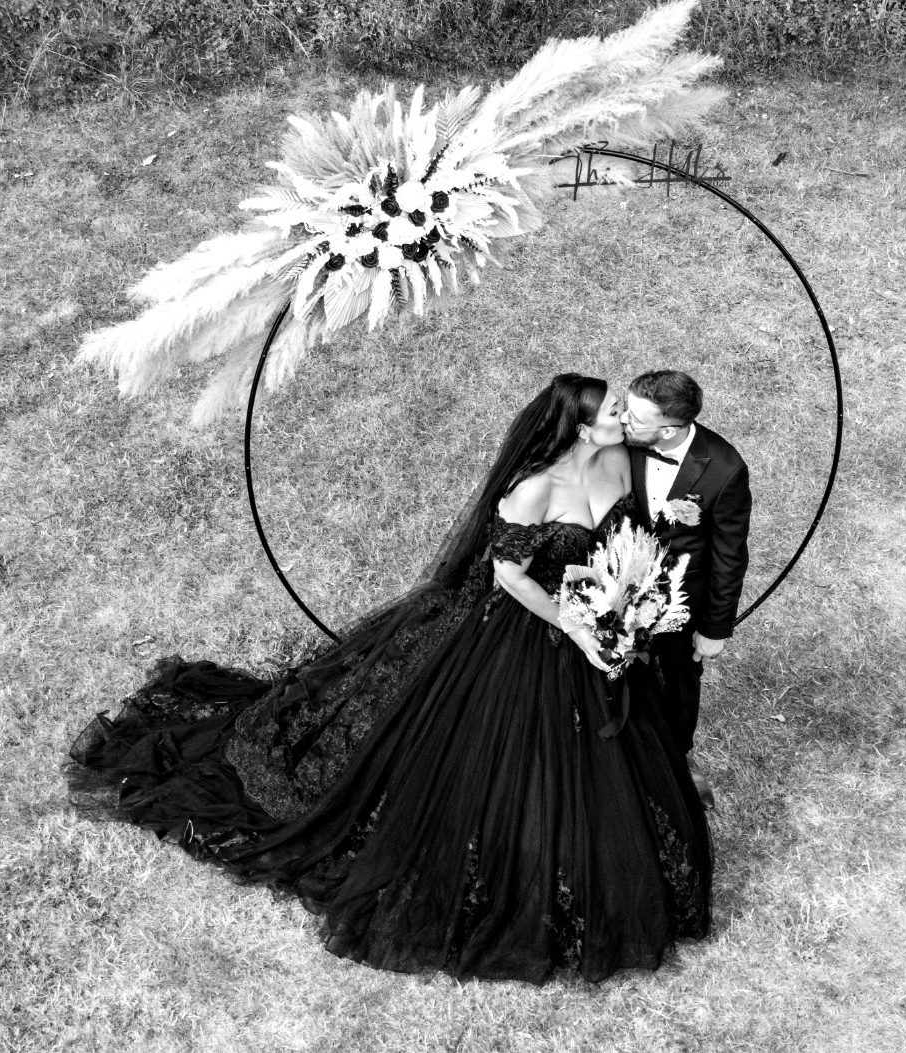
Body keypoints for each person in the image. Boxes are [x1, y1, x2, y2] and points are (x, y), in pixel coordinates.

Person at [70, 374, 712, 984]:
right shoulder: (533, 489)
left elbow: (622, 534)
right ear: (576, 427)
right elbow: (509, 577)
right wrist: (576, 625)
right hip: (524, 630)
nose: (624, 418)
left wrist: (618, 593)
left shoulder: (620, 460)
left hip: (592, 612)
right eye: (611, 412)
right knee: (499, 745)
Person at [621, 370, 752, 803]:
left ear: (669, 429)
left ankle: (676, 760)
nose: (623, 419)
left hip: (682, 601)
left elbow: (730, 556)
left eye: (636, 418)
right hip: (619, 583)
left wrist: (715, 628)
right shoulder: (625, 445)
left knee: (679, 680)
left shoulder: (724, 469)